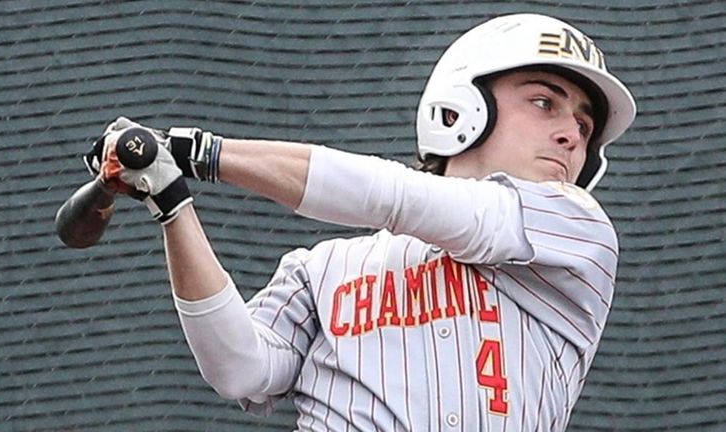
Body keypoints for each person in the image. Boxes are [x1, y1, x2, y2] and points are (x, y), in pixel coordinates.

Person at [85, 13, 636, 431]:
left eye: (585, 126)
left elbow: (396, 198)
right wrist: (173, 204)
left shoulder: (576, 234)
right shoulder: (324, 267)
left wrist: (202, 152)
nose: (572, 134)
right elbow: (239, 369)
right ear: (461, 110)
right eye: (545, 103)